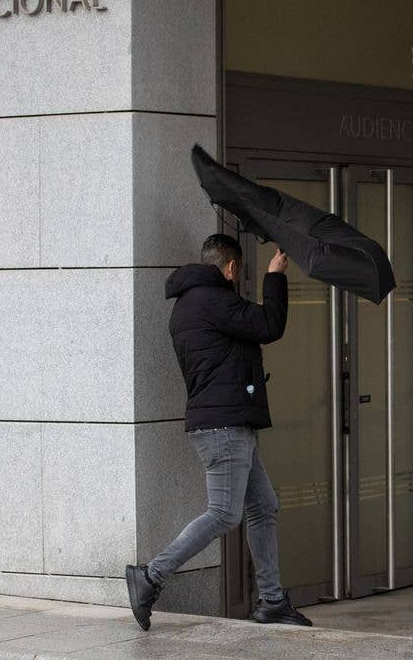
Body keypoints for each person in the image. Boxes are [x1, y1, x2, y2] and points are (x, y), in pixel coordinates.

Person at [125, 233, 312, 631]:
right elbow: (268, 324)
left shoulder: (186, 306)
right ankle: (151, 575)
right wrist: (274, 276)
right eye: (237, 271)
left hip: (225, 424)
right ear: (229, 268)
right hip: (224, 427)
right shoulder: (214, 301)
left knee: (263, 506)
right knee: (224, 513)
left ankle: (272, 601)